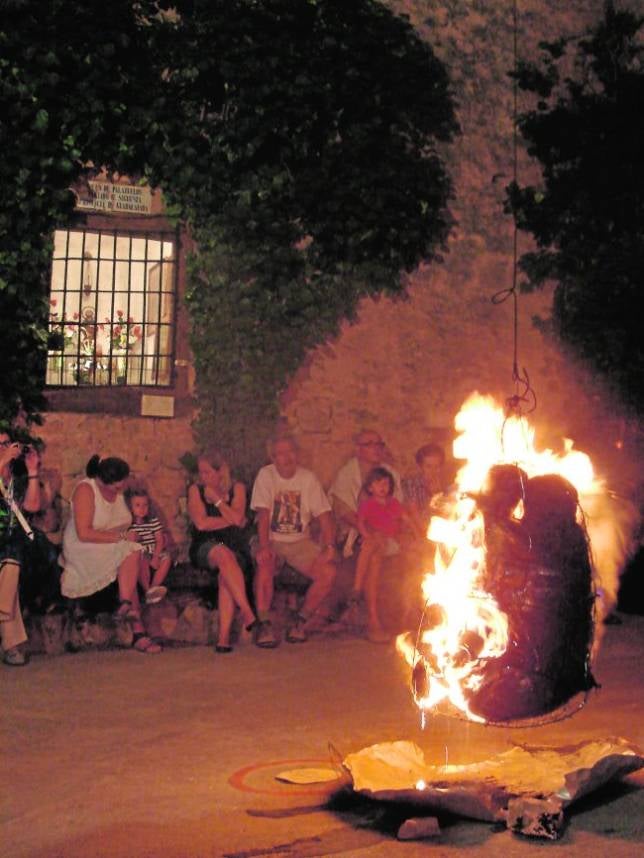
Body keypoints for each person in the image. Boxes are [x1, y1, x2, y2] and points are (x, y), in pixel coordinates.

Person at [61, 454, 162, 654]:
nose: (121, 489)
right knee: (130, 552)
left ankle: (127, 607)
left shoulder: (120, 492)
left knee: (131, 554)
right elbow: (84, 533)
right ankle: (133, 620)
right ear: (103, 481)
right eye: (117, 487)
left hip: (114, 545)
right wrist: (122, 537)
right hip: (84, 547)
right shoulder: (86, 489)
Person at [250, 435, 336, 647]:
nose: (286, 457)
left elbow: (324, 516)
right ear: (273, 458)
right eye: (281, 453)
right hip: (272, 538)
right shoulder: (266, 475)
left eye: (290, 452)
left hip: (300, 542)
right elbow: (263, 514)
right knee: (265, 564)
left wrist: (329, 546)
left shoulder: (308, 479)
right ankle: (264, 623)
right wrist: (264, 546)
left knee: (328, 573)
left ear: (297, 455)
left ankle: (300, 620)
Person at [187, 449, 258, 653]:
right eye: (200, 472)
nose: (202, 477)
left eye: (207, 472)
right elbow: (201, 524)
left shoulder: (238, 488)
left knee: (226, 572)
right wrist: (232, 518)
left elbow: (238, 520)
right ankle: (246, 611)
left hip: (235, 546)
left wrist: (217, 502)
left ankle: (224, 638)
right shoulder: (196, 490)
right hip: (205, 546)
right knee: (223, 555)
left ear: (221, 472)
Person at [350, 466, 412, 643]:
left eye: (386, 483)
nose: (383, 487)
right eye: (378, 483)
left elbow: (406, 520)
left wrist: (414, 535)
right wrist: (369, 536)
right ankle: (370, 615)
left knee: (371, 545)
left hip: (390, 542)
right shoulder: (367, 504)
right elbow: (361, 523)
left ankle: (356, 588)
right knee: (373, 554)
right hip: (376, 544)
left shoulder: (393, 503)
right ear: (370, 487)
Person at [0, 430, 42, 666]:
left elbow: (33, 506)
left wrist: (33, 471)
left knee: (12, 559)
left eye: (7, 443)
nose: (5, 447)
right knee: (10, 566)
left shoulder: (18, 478)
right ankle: (11, 645)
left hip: (12, 544)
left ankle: (10, 643)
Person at [329, 429, 402, 557]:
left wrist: (385, 530)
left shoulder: (391, 473)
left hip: (386, 531)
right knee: (370, 550)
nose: (376, 448)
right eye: (369, 444)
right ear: (358, 449)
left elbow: (397, 507)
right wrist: (370, 531)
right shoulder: (347, 474)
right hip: (357, 531)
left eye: (379, 444)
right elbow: (344, 512)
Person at [125, 487, 172, 605]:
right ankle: (147, 590)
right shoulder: (129, 524)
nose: (142, 509)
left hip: (155, 550)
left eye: (145, 505)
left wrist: (156, 557)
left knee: (167, 559)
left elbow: (160, 540)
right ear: (130, 508)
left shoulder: (152, 521)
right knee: (142, 561)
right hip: (141, 553)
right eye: (138, 505)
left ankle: (153, 587)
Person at [402, 443, 447, 538]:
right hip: (417, 526)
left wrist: (436, 493)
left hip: (438, 524)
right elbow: (414, 513)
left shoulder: (443, 482)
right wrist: (426, 532)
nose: (433, 471)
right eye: (428, 466)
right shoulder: (411, 483)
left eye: (437, 466)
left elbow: (445, 510)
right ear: (420, 466)